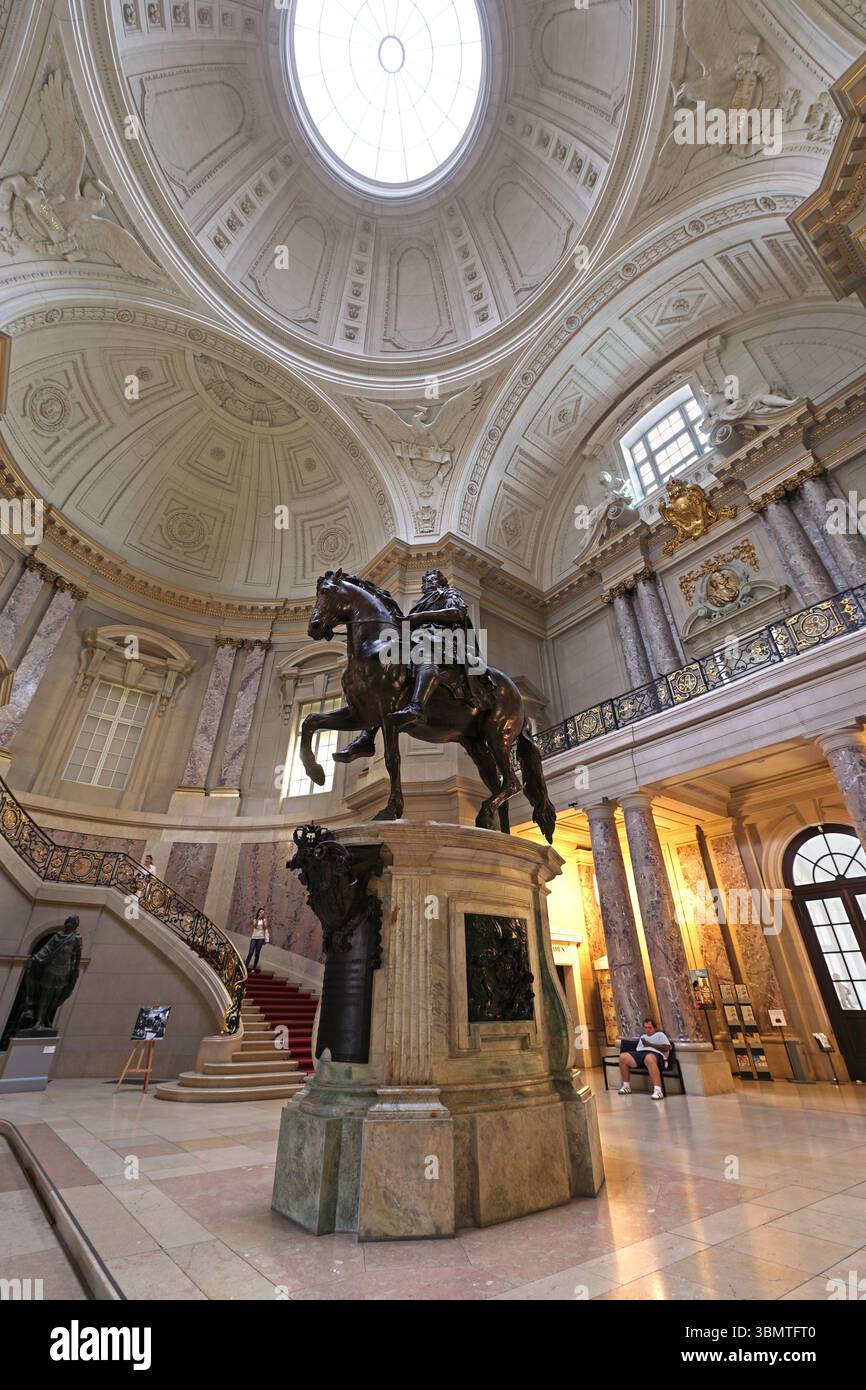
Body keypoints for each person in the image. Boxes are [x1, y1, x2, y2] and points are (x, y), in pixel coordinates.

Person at [390, 568, 475, 731]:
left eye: (432, 580)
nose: (427, 584)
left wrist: (422, 617)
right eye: (425, 582)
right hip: (419, 637)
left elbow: (457, 613)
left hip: (442, 638)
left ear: (441, 582)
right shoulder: (419, 606)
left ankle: (417, 707)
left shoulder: (448, 593)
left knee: (424, 648)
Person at [618, 1017, 672, 1100]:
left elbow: (667, 1048)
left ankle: (658, 1090)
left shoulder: (660, 1035)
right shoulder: (643, 1037)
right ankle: (626, 1086)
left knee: (649, 1058)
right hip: (641, 1054)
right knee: (623, 1057)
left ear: (654, 1028)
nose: (647, 1030)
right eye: (646, 1028)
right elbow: (639, 1050)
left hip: (656, 1055)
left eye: (650, 1028)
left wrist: (650, 1044)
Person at [245, 907, 269, 971]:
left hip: (261, 938)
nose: (261, 913)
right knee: (251, 952)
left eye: (263, 912)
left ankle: (254, 968)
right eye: (260, 912)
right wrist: (258, 918)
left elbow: (265, 927)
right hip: (254, 938)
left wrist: (263, 919)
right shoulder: (255, 919)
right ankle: (245, 966)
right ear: (258, 913)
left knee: (257, 953)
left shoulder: (265, 920)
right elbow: (254, 926)